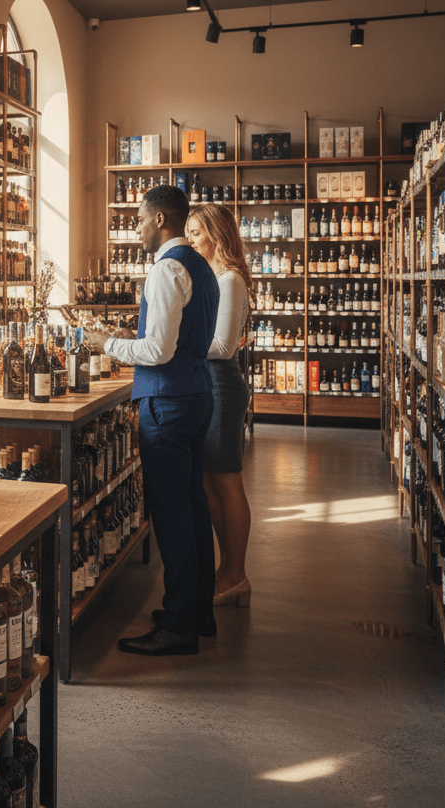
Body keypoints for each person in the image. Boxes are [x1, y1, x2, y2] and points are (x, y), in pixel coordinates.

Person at [86, 185, 219, 656]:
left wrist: (108, 344)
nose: (136, 227)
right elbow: (183, 338)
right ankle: (199, 610)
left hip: (167, 402)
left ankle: (180, 626)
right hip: (198, 394)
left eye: (140, 219)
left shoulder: (166, 269)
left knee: (171, 514)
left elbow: (158, 352)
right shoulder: (202, 266)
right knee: (192, 505)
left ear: (161, 219)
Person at [185, 203, 253, 608]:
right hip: (205, 384)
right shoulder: (210, 278)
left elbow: (223, 346)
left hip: (221, 387)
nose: (190, 240)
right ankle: (225, 568)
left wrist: (175, 347)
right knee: (210, 482)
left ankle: (237, 574)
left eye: (195, 233)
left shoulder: (229, 280)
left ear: (215, 234)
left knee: (228, 482)